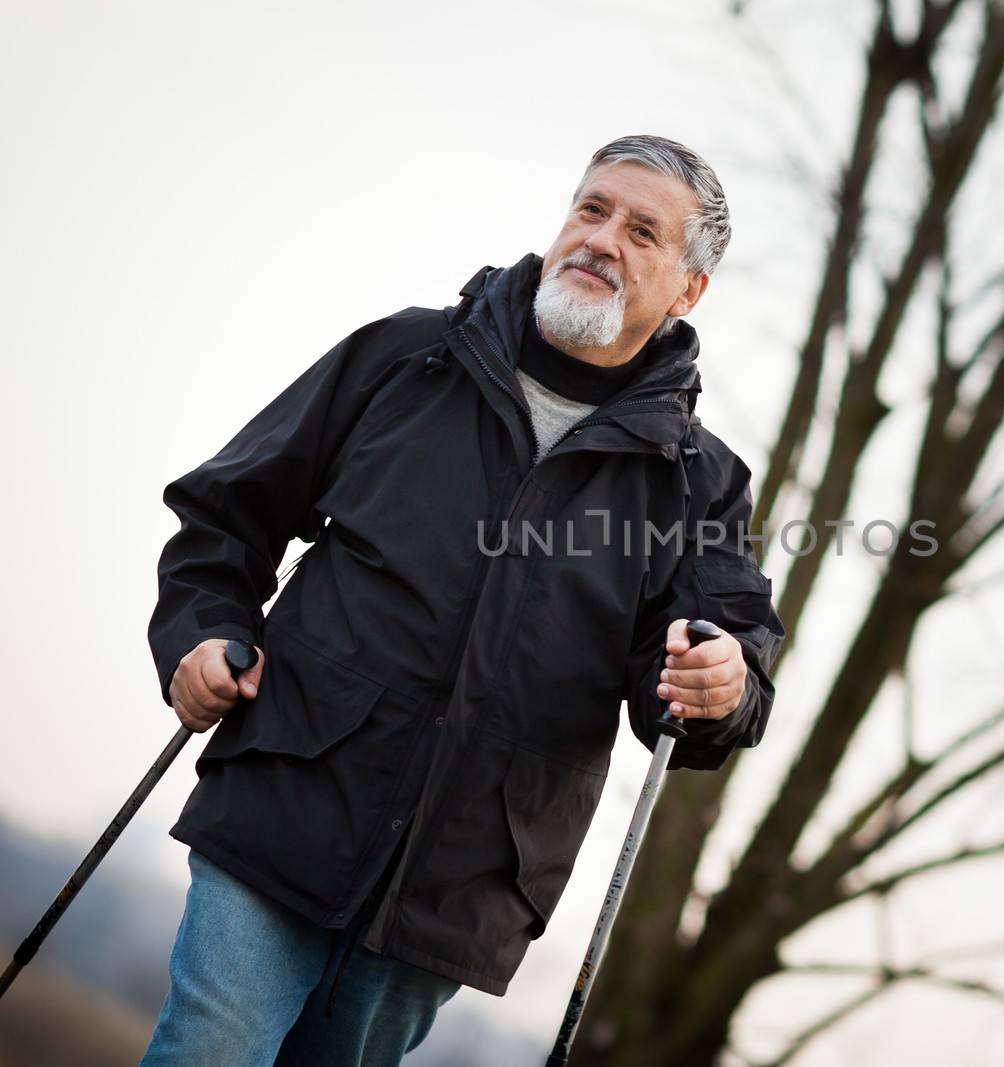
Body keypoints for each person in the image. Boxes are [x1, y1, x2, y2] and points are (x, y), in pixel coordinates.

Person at [138, 134, 785, 1065]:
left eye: (644, 231)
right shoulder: (404, 358)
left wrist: (720, 681)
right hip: (286, 795)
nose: (602, 239)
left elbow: (716, 671)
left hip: (465, 878)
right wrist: (202, 637)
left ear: (688, 290)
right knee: (209, 1045)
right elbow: (224, 515)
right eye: (592, 208)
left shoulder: (701, 483)